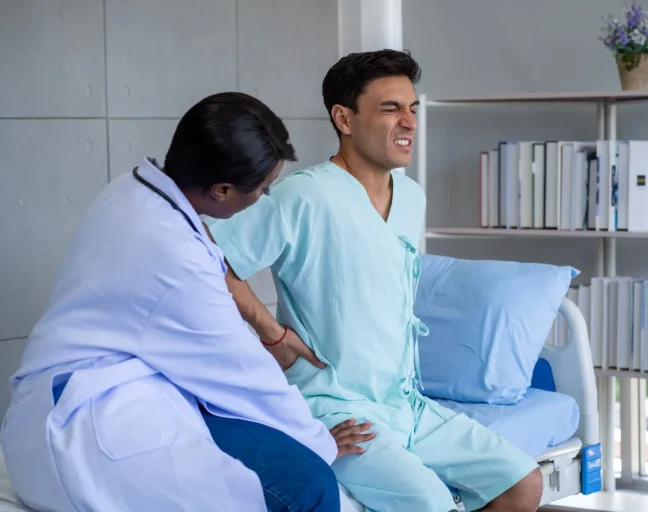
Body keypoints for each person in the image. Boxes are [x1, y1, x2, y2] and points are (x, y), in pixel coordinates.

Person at [0, 92, 372, 512]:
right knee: (309, 486)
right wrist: (319, 440)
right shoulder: (176, 259)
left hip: (49, 402)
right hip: (84, 432)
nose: (265, 198)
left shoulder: (130, 190)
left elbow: (203, 264)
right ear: (222, 190)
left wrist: (269, 329)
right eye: (263, 189)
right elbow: (244, 373)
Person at [206, 51, 544, 511]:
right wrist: (272, 332)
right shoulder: (304, 195)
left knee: (522, 483)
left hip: (408, 405)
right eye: (390, 108)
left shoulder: (411, 197)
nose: (408, 122)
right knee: (431, 504)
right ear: (343, 118)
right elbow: (209, 256)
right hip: (337, 408)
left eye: (412, 109)